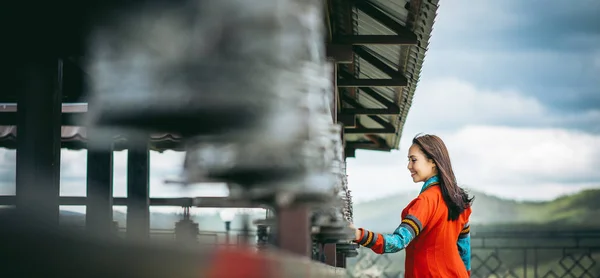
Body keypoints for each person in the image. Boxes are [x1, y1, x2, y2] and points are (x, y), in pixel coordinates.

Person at [352, 134, 474, 277]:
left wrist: (359, 235)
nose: (409, 166)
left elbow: (397, 242)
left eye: (413, 160)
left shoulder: (426, 201)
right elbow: (464, 250)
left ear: (433, 161)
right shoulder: (459, 200)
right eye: (409, 160)